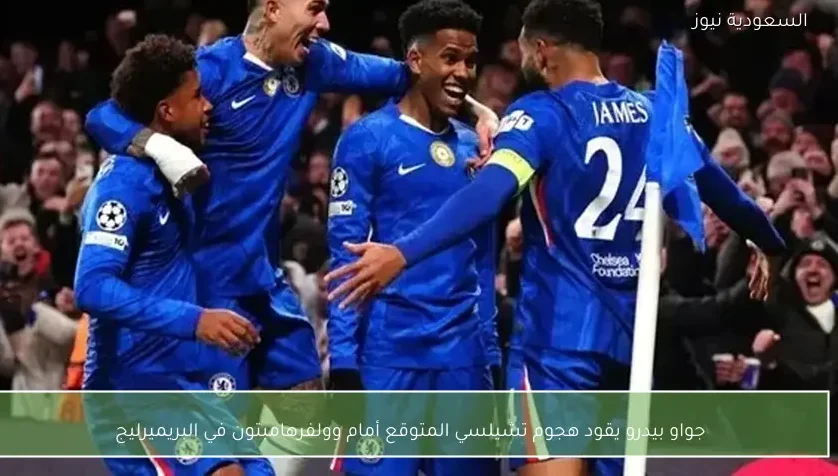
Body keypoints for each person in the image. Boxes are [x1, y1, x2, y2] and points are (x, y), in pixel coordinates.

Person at [323, 1, 787, 475]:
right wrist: (769, 242)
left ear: (542, 51)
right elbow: (723, 190)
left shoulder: (540, 114)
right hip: (628, 345)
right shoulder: (654, 113)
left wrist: (402, 253)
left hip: (556, 345)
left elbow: (489, 195)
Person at [82, 0, 498, 404]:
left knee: (309, 410)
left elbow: (411, 72)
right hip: (208, 286)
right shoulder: (209, 71)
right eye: (315, 8)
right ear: (273, 8)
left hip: (265, 279)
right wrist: (160, 147)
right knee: (221, 431)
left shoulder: (315, 62)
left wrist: (478, 113)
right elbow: (103, 116)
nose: (325, 23)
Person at [74, 35, 267, 476]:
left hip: (177, 377)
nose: (208, 106)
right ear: (166, 111)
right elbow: (92, 288)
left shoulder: (171, 172)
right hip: (132, 383)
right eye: (197, 96)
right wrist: (195, 320)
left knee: (258, 468)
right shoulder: (124, 183)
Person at [325, 1, 498, 475]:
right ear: (416, 60)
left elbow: (483, 255)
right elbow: (344, 257)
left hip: (463, 359)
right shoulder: (367, 139)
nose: (462, 73)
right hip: (388, 356)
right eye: (450, 58)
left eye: (470, 61)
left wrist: (490, 351)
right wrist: (344, 362)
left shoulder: (476, 147)